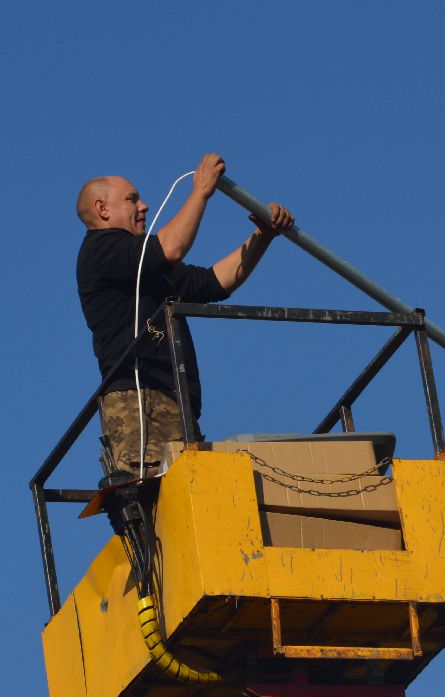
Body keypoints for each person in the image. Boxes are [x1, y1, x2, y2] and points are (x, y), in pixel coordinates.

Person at [75, 153, 294, 477]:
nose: (144, 206)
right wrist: (200, 192)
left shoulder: (146, 267)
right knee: (158, 503)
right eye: (131, 199)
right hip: (140, 403)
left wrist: (263, 236)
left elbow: (212, 283)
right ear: (102, 209)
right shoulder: (101, 249)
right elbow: (172, 247)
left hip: (175, 403)